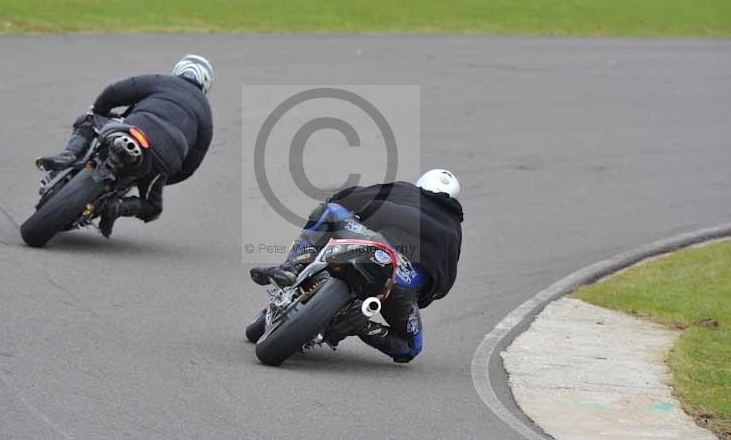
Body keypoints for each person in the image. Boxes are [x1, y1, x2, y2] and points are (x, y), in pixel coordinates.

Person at [250, 169, 464, 363]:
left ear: (421, 184)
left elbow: (353, 197)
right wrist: (417, 298)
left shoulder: (405, 190)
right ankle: (362, 324)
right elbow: (443, 282)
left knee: (331, 210)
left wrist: (339, 203)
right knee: (411, 347)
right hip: (403, 279)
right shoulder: (454, 231)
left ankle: (291, 268)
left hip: (373, 245)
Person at [37, 55, 214, 238]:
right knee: (152, 209)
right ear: (206, 83)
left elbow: (116, 92)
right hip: (163, 158)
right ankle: (116, 207)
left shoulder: (163, 81)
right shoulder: (206, 113)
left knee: (89, 117)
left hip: (134, 127)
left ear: (178, 70)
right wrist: (162, 176)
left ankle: (70, 154)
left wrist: (100, 111)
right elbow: (192, 164)